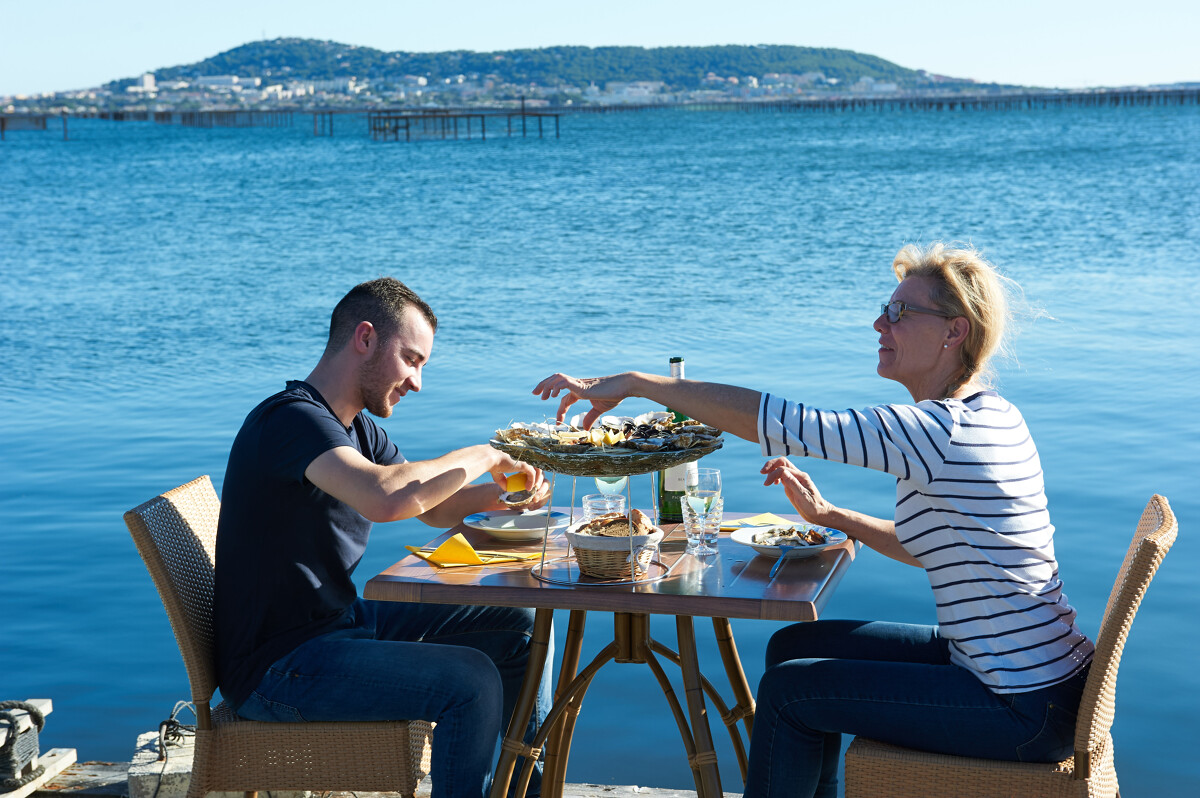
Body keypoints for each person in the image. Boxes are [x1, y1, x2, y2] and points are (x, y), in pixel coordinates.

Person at [532, 242, 1094, 798]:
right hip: (1026, 677)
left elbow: (785, 421)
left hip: (1018, 704)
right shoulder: (989, 414)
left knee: (791, 692)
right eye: (885, 308)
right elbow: (931, 548)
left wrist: (635, 382)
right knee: (791, 651)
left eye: (900, 313)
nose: (880, 323)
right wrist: (831, 516)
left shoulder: (938, 432)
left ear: (954, 331)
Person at [215, 277, 553, 798]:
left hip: (338, 626)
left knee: (520, 624)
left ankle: (519, 791)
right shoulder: (290, 422)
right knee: (471, 682)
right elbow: (389, 497)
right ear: (366, 338)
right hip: (278, 668)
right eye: (413, 360)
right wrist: (486, 453)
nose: (418, 382)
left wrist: (503, 497)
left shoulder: (356, 428)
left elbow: (432, 507)